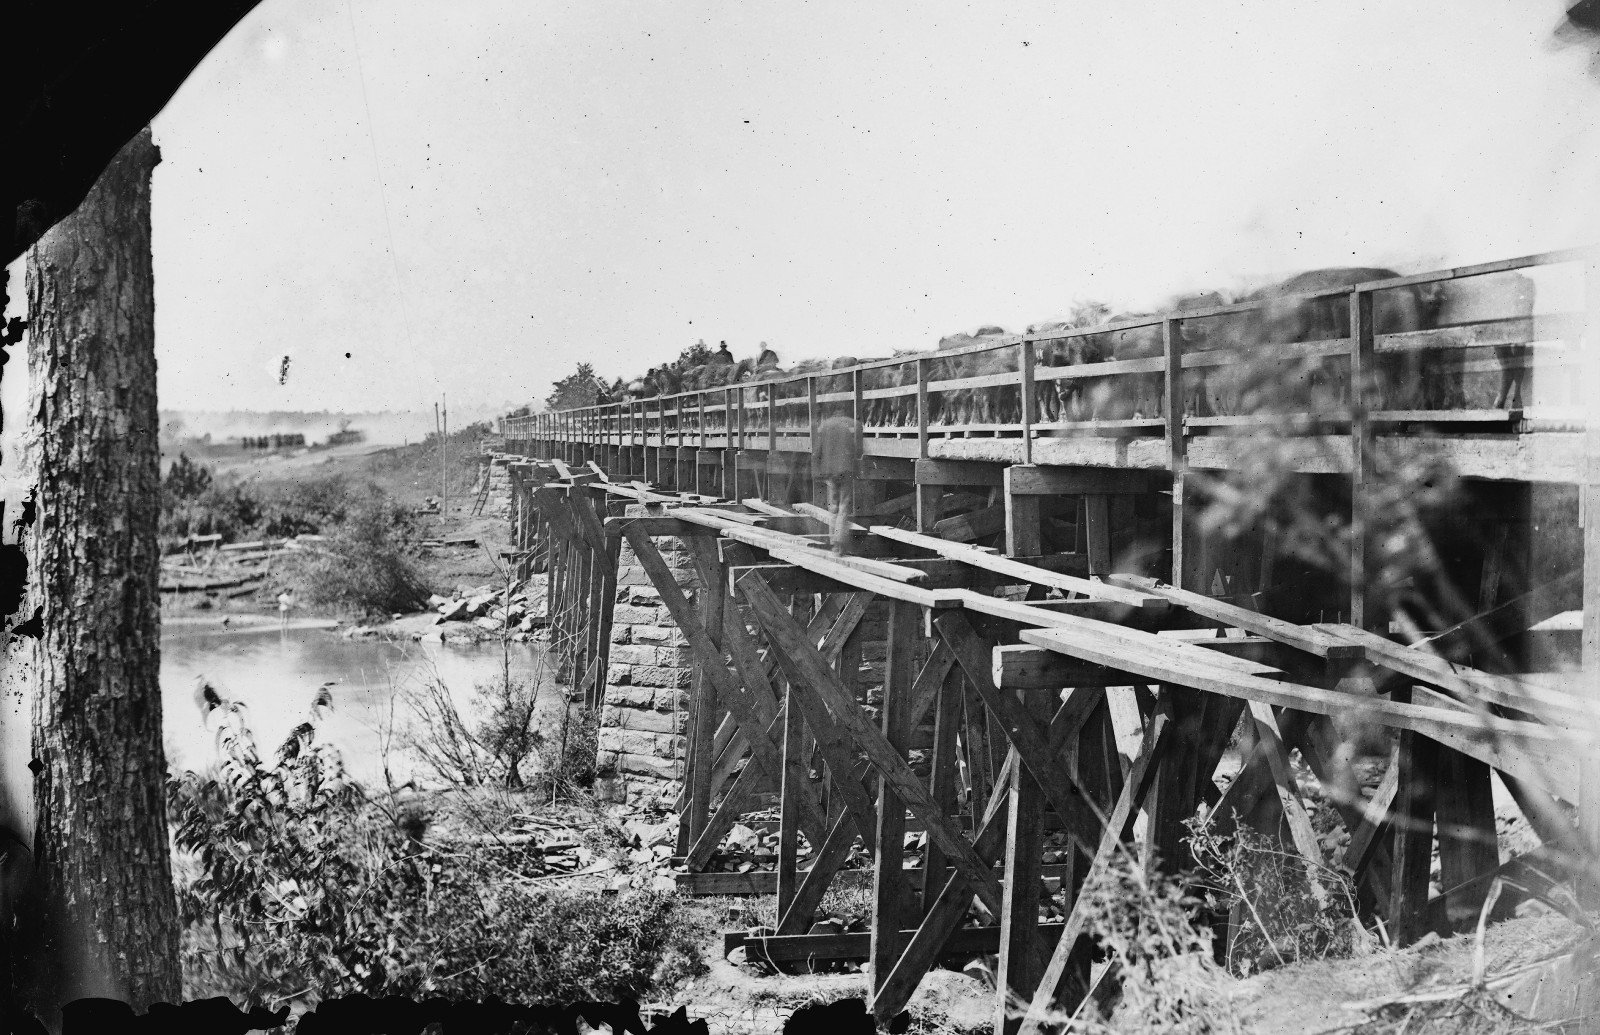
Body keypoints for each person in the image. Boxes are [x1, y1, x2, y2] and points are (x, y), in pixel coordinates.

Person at [813, 414, 863, 554]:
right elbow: (857, 450)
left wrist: (818, 472)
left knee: (833, 507)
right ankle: (840, 543)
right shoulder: (849, 424)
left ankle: (834, 543)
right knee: (844, 506)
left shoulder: (825, 425)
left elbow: (817, 451)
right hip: (845, 470)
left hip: (830, 472)